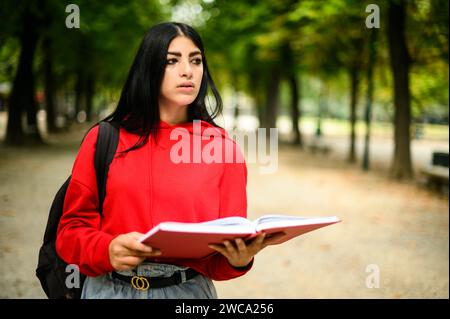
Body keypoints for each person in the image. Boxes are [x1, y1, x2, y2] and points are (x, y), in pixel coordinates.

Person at [56, 22, 280, 299]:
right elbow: (69, 231)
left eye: (196, 60)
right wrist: (106, 248)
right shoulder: (104, 138)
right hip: (108, 289)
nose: (187, 70)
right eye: (171, 61)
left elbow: (217, 260)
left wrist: (239, 259)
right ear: (148, 68)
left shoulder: (223, 149)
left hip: (188, 293)